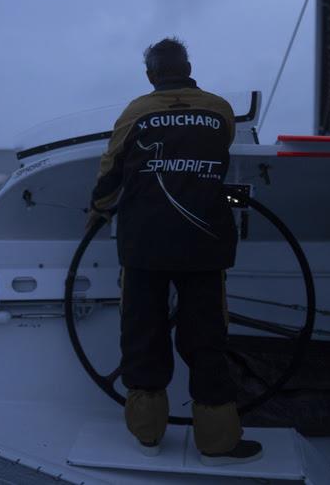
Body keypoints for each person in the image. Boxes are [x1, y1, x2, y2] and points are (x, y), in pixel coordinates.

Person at [87, 37, 262, 465]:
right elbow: (216, 168)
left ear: (151, 76)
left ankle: (147, 435)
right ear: (188, 67)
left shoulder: (135, 113)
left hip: (144, 247)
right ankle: (218, 442)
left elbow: (111, 171)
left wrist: (97, 212)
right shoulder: (220, 110)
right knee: (207, 341)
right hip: (205, 247)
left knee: (143, 337)